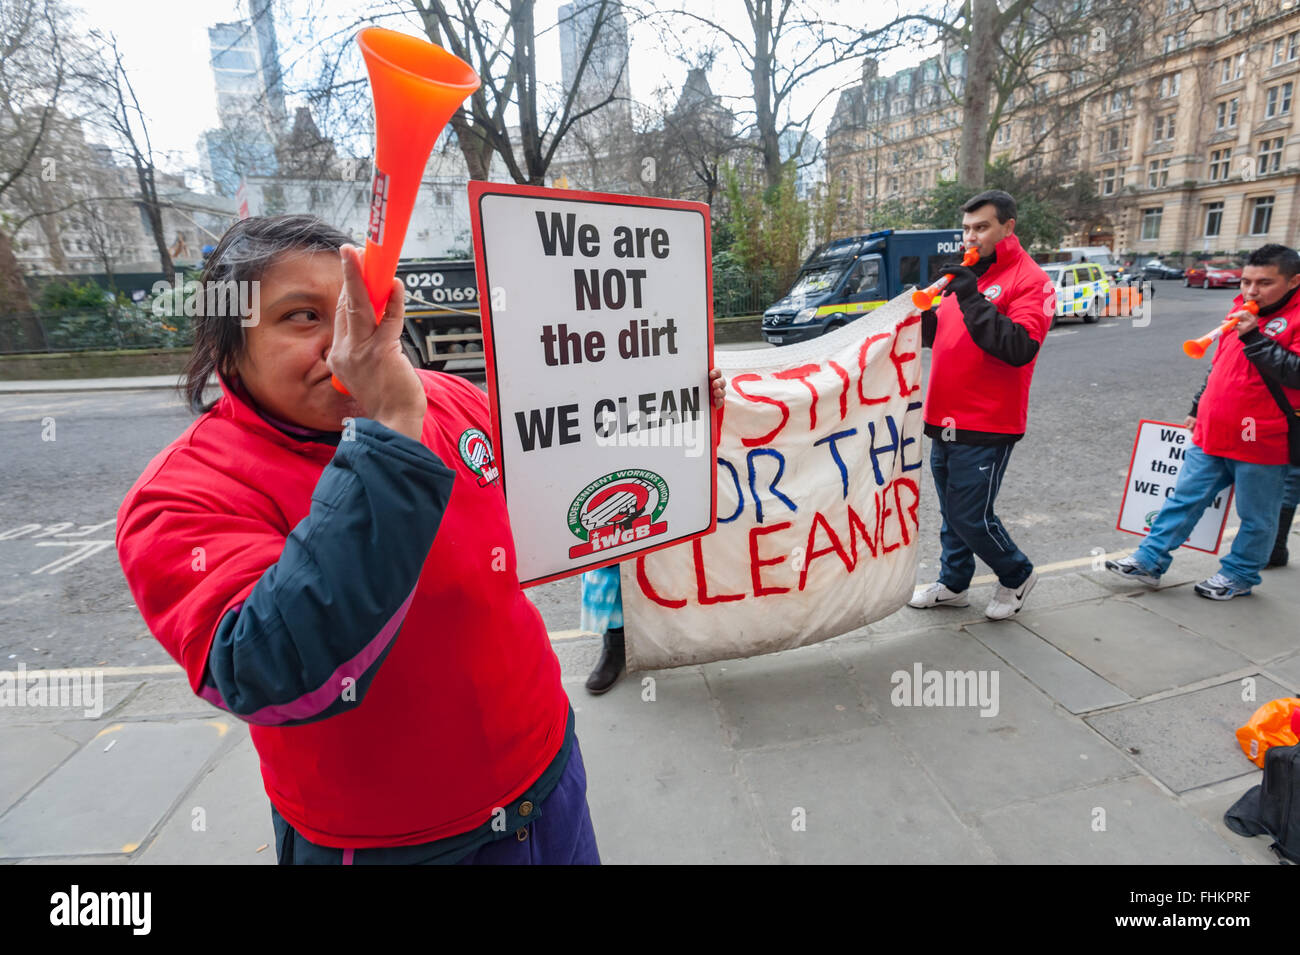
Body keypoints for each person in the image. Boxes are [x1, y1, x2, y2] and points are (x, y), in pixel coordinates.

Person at [117, 215, 600, 864]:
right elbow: (266, 670)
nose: (346, 340)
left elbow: (565, 485)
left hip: (549, 779)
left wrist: (675, 404)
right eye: (302, 317)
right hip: (392, 845)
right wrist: (393, 433)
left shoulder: (451, 398)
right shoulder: (182, 493)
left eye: (356, 309)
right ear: (228, 347)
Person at [1107, 243, 1300, 598]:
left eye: (1264, 283)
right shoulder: (1240, 307)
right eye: (1246, 282)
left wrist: (1255, 336)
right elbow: (1221, 363)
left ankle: (1239, 575)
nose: (1251, 291)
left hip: (1263, 437)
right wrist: (1198, 406)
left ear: (1293, 282)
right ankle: (1150, 560)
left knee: (1257, 517)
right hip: (1214, 427)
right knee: (1184, 498)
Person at [909, 189, 1052, 620]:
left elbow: (1019, 347)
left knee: (970, 515)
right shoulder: (965, 277)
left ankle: (1017, 573)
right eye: (966, 229)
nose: (970, 237)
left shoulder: (1031, 280)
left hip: (988, 421)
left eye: (981, 227)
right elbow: (947, 336)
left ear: (1008, 227)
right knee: (953, 513)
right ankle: (954, 583)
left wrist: (971, 297)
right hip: (944, 416)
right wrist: (914, 317)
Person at [583, 374, 728, 695]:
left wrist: (708, 404)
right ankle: (615, 643)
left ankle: (667, 630)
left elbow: (699, 438)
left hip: (654, 432)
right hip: (598, 435)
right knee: (608, 557)